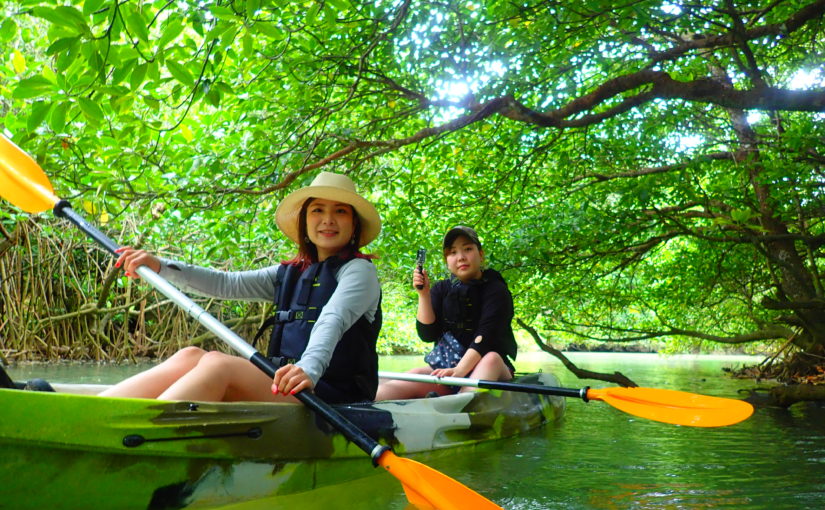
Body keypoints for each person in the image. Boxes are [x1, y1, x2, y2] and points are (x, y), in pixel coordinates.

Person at [99, 171, 382, 404]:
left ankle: (138, 432)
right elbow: (226, 283)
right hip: (289, 382)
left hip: (333, 396)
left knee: (219, 365)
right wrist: (160, 265)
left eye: (340, 211)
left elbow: (333, 318)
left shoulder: (359, 271)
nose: (328, 220)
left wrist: (308, 368)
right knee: (192, 356)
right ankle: (101, 409)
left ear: (353, 224)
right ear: (305, 221)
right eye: (318, 210)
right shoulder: (291, 273)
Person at [375, 226, 517, 400]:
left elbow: (486, 337)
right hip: (450, 368)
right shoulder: (442, 289)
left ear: (480, 254)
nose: (461, 257)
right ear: (447, 260)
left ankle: (461, 404)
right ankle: (362, 406)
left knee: (491, 358)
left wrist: (460, 371)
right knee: (415, 373)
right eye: (453, 252)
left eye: (468, 249)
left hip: (492, 369)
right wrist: (424, 294)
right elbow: (427, 334)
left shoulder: (496, 290)